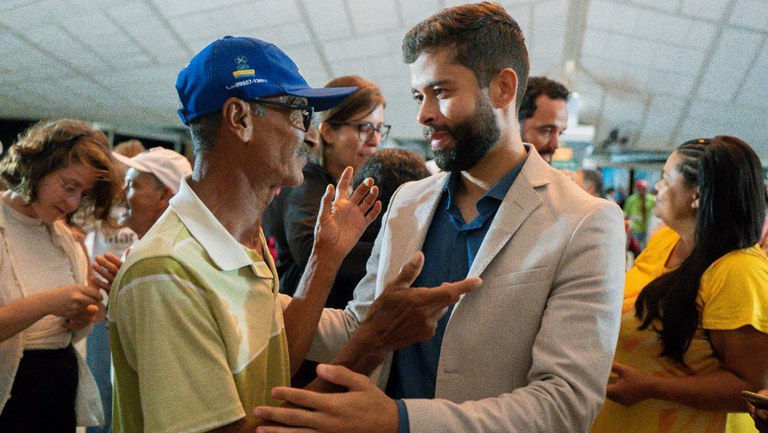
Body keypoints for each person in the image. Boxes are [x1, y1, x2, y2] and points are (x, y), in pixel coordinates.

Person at [253, 4, 626, 433]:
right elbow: (362, 323)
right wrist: (250, 300)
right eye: (418, 96)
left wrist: (402, 420)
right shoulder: (409, 202)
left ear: (503, 88)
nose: (423, 115)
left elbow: (565, 403)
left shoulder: (586, 221)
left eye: (441, 92)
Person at [108, 36, 477, 433]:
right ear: (240, 119)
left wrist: (326, 257)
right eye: (299, 114)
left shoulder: (241, 242)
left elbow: (276, 371)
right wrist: (370, 342)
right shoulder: (168, 273)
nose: (311, 136)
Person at [590, 136, 768, 433]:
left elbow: (749, 386)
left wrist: (652, 387)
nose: (657, 187)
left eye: (665, 178)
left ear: (696, 195)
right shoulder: (667, 240)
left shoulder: (739, 272)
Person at [0, 119, 120, 432]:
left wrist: (85, 311)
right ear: (37, 168)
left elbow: (72, 330)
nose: (73, 203)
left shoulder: (64, 239)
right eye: (68, 187)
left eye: (83, 194)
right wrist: (51, 303)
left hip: (58, 390)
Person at [266, 75, 388, 308]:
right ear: (329, 132)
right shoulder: (306, 182)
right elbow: (310, 250)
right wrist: (397, 251)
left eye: (379, 129)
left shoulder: (345, 184)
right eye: (365, 128)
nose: (375, 140)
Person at [518, 76, 570, 164]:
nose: (556, 145)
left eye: (560, 133)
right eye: (547, 131)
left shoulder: (553, 176)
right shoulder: (489, 174)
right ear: (516, 124)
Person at [623, 179, 655, 247]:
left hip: (647, 227)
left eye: (643, 189)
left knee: (645, 247)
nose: (641, 191)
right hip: (635, 228)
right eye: (639, 189)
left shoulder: (651, 199)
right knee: (636, 248)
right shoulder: (631, 200)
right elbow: (625, 213)